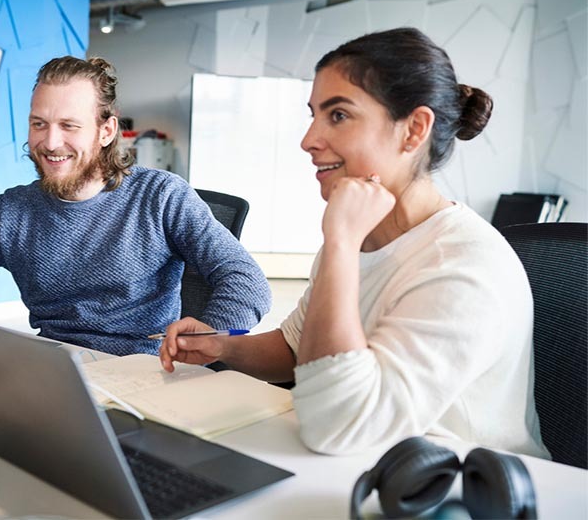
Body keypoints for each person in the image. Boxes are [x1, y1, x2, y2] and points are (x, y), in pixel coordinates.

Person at [159, 28, 549, 458]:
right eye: (314, 115)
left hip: (460, 487)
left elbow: (339, 426)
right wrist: (221, 345)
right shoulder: (359, 236)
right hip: (371, 466)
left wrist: (341, 241)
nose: (308, 140)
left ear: (414, 130)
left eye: (338, 115)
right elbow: (297, 348)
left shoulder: (462, 265)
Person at [0, 55, 271, 356]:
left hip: (142, 371)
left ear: (106, 131)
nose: (50, 141)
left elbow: (247, 280)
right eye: (38, 124)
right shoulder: (13, 211)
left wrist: (213, 341)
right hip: (54, 367)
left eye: (68, 125)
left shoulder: (161, 196)